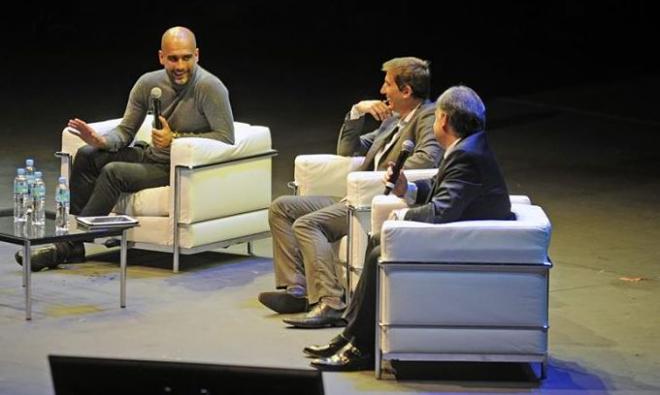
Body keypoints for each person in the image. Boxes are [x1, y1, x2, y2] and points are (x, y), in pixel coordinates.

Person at [305, 85, 514, 371]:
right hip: (465, 234)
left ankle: (359, 345)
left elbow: (442, 211)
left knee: (381, 249)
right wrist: (409, 188)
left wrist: (400, 218)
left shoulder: (467, 156)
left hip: (469, 245)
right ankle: (353, 336)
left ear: (443, 120)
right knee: (377, 241)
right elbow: (445, 191)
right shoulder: (468, 147)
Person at [16, 26, 235, 271]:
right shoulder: (148, 83)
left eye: (186, 57)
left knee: (114, 172)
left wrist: (176, 139)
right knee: (88, 155)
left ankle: (66, 246)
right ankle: (74, 243)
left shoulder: (209, 88)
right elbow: (126, 130)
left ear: (197, 55)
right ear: (161, 57)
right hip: (152, 155)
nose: (180, 66)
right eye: (173, 58)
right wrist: (102, 141)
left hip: (176, 168)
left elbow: (226, 138)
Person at [259, 57, 443, 329]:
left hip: (374, 202)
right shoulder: (393, 120)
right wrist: (357, 111)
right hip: (356, 195)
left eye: (388, 84)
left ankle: (331, 302)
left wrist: (379, 178)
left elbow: (428, 158)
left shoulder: (427, 117)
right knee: (282, 207)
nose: (382, 91)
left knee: (308, 224)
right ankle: (297, 290)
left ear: (406, 91)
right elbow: (348, 150)